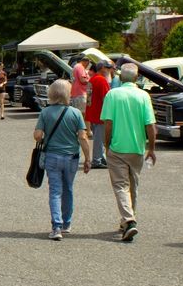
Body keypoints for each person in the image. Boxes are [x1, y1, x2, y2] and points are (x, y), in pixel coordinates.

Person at [99, 63, 157, 242]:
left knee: (120, 186)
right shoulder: (143, 96)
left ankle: (129, 220)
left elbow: (107, 124)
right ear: (137, 77)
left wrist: (106, 145)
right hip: (137, 148)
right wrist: (151, 148)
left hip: (117, 147)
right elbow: (150, 125)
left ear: (121, 77)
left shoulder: (112, 95)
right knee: (133, 185)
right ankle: (128, 219)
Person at [33, 79, 91, 240]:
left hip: (52, 156)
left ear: (51, 93)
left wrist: (43, 136)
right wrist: (88, 158)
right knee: (68, 189)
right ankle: (66, 223)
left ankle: (56, 227)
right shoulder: (75, 113)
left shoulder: (45, 112)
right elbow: (83, 137)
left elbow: (37, 135)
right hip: (71, 157)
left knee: (55, 191)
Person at [85, 60, 113, 168]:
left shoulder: (93, 78)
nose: (109, 70)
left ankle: (100, 157)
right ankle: (97, 160)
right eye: (107, 68)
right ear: (102, 68)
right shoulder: (101, 80)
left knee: (99, 137)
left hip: (93, 111)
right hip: (100, 113)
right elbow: (106, 98)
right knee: (99, 138)